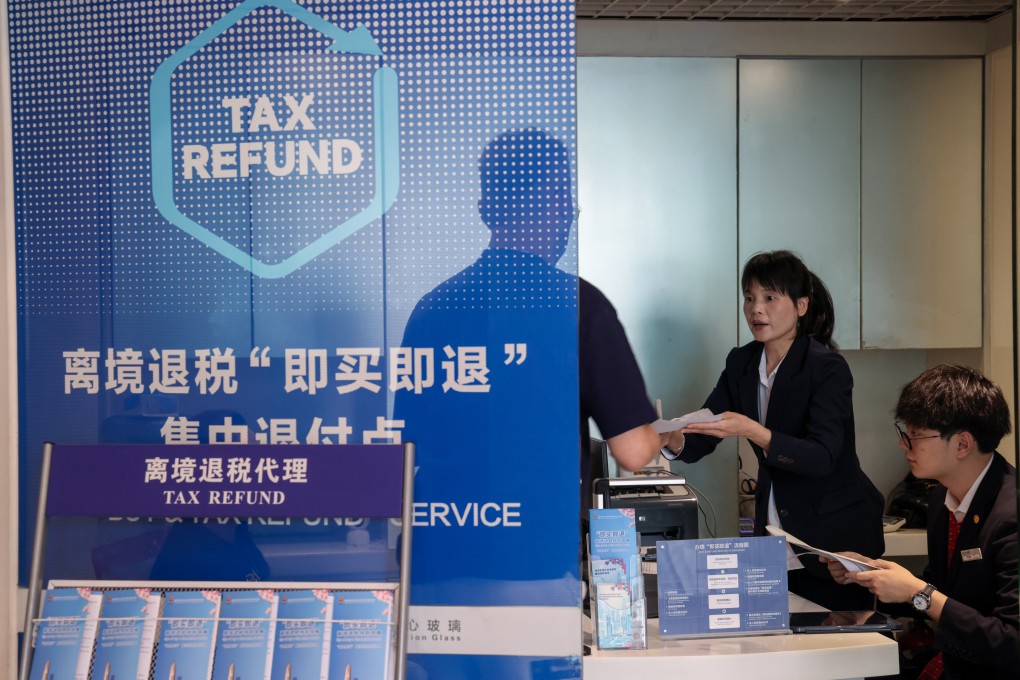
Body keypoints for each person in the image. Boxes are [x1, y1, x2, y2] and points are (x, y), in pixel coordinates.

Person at [662, 250, 885, 610]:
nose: (756, 309)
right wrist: (670, 436)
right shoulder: (742, 362)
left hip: (835, 539)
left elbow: (822, 457)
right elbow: (705, 430)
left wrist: (755, 431)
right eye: (749, 298)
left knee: (838, 651)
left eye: (769, 298)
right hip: (775, 539)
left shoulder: (827, 368)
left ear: (800, 306)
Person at [824, 365, 1018, 680]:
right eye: (906, 432)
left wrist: (920, 592)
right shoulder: (943, 500)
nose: (904, 445)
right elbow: (941, 592)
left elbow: (1011, 642)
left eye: (915, 435)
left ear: (962, 444)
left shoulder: (1010, 515)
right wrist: (872, 577)